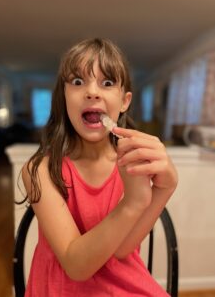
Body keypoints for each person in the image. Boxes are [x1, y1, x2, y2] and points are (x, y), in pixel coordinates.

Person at [22, 38, 178, 297]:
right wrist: (133, 202)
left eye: (107, 83)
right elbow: (76, 265)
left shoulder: (133, 165)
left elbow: (123, 250)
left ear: (125, 101)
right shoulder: (40, 169)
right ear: (64, 95)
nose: (92, 92)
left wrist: (165, 188)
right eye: (77, 81)